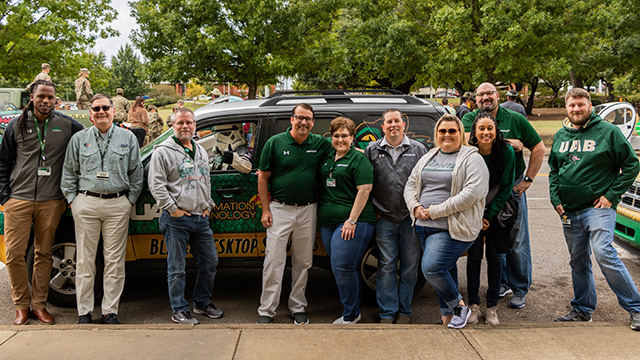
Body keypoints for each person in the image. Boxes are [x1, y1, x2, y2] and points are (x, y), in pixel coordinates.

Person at [549, 88, 640, 331]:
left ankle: (636, 308)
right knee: (578, 260)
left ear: (590, 106)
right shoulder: (560, 135)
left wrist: (611, 196)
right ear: (566, 108)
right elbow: (555, 171)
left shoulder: (608, 132)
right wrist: (554, 197)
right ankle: (582, 309)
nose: (576, 109)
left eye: (581, 104)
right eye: (572, 105)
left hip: (597, 208)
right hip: (569, 210)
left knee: (603, 253)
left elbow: (631, 165)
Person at [0, 80, 83, 325]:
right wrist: (5, 196)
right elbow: (3, 162)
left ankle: (39, 305)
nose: (46, 101)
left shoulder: (67, 124)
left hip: (51, 201)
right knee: (14, 254)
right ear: (32, 97)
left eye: (50, 97)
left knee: (43, 253)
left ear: (55, 100)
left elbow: (92, 138)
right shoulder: (16, 125)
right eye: (41, 96)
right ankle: (21, 306)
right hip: (19, 199)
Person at [61, 94, 144, 325]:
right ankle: (84, 312)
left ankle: (110, 311)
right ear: (90, 113)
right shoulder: (79, 139)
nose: (101, 112)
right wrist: (72, 201)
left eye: (105, 108)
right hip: (86, 203)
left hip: (118, 204)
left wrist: (129, 201)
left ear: (113, 110)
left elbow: (137, 173)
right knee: (85, 261)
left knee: (114, 260)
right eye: (96, 108)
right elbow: (68, 172)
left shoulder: (127, 137)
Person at [461, 82, 545, 310]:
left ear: (497, 96)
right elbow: (469, 143)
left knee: (516, 239)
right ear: (476, 98)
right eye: (481, 95)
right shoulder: (469, 120)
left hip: (510, 185)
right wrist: (510, 142)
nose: (486, 98)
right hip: (479, 188)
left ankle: (519, 288)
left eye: (489, 93)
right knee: (491, 244)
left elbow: (538, 147)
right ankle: (500, 284)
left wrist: (528, 179)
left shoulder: (516, 119)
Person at [404, 114, 489, 329]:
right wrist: (415, 207)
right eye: (442, 131)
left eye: (452, 131)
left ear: (461, 134)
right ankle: (448, 319)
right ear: (436, 135)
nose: (447, 135)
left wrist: (435, 211)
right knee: (445, 270)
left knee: (432, 268)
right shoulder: (430, 156)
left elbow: (472, 193)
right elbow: (411, 184)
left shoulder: (472, 158)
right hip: (423, 226)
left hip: (451, 227)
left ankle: (459, 306)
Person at [257, 103, 333, 324]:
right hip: (280, 209)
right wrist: (265, 209)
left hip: (308, 209)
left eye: (308, 119)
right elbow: (262, 176)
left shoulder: (319, 143)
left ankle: (297, 306)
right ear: (291, 119)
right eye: (300, 117)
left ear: (312, 122)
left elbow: (343, 146)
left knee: (303, 262)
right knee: (273, 260)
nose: (304, 122)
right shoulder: (275, 143)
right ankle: (266, 309)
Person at [148, 107, 224, 325]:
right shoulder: (162, 151)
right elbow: (156, 185)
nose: (185, 126)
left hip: (201, 218)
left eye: (189, 122)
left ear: (195, 125)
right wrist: (173, 210)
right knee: (177, 268)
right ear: (172, 125)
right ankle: (179, 309)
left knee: (210, 263)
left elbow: (205, 178)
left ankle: (201, 303)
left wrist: (208, 204)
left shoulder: (199, 149)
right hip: (177, 220)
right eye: (180, 123)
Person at [365, 109, 427, 324]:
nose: (393, 125)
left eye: (396, 121)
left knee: (410, 267)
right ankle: (387, 312)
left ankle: (405, 311)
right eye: (388, 122)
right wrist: (373, 209)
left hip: (411, 220)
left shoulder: (418, 150)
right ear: (382, 127)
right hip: (385, 219)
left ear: (404, 125)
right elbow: (366, 182)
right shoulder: (372, 150)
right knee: (387, 266)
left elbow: (426, 183)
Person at [319, 117, 376, 324]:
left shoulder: (359, 159)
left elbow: (365, 190)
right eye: (336, 135)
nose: (340, 139)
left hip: (354, 222)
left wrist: (351, 220)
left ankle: (351, 314)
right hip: (328, 223)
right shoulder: (326, 157)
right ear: (331, 137)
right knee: (338, 266)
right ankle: (350, 308)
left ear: (352, 137)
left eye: (345, 135)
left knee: (344, 266)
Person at [466, 112, 516, 326]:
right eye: (482, 129)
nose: (486, 132)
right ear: (474, 132)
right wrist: (477, 216)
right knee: (474, 258)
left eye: (490, 128)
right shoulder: (468, 152)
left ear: (496, 132)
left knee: (495, 260)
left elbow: (506, 187)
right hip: (472, 212)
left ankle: (492, 307)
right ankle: (474, 305)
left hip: (496, 212)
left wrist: (488, 216)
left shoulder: (506, 151)